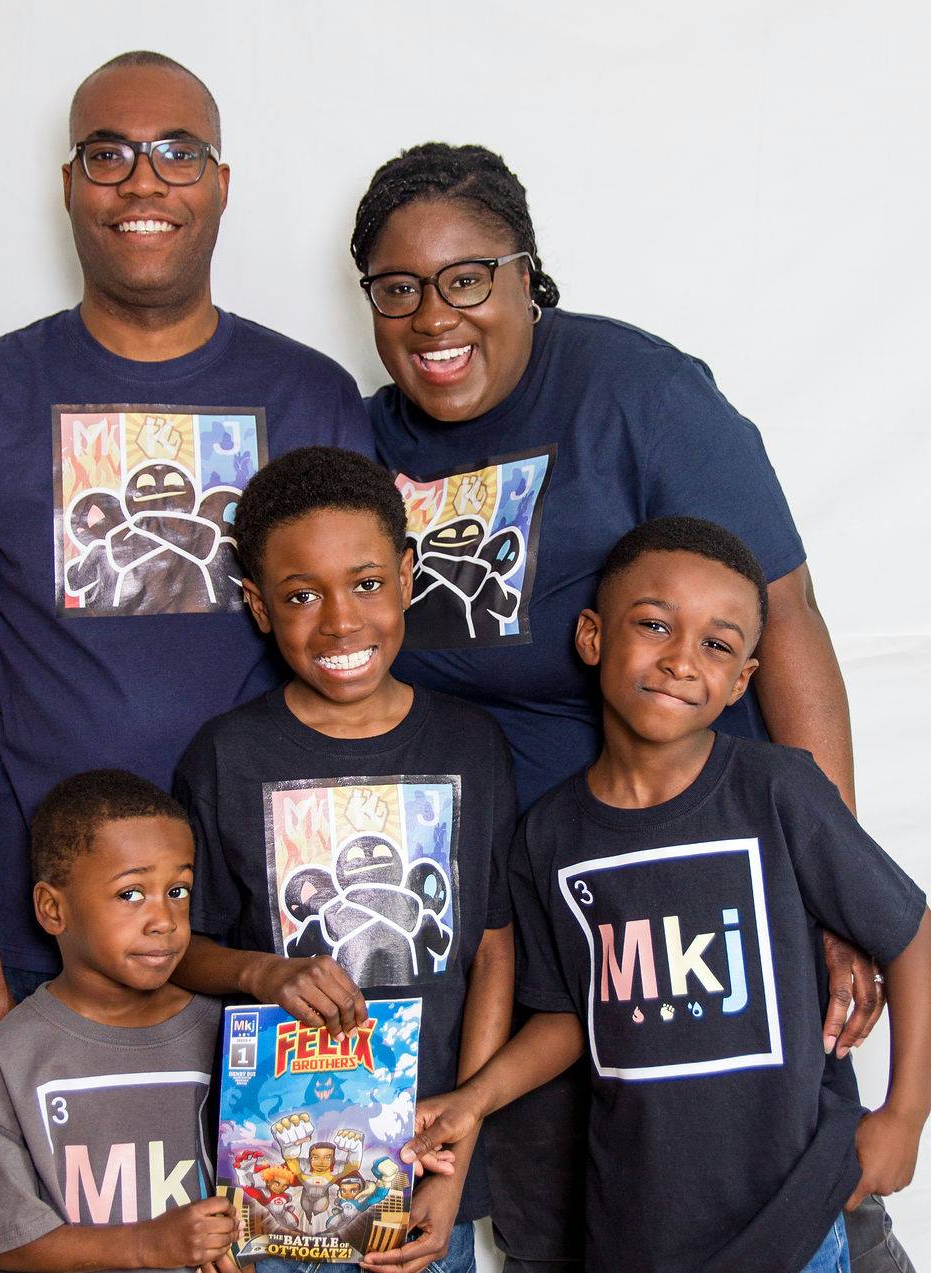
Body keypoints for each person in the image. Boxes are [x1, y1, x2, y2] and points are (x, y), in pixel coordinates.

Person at [349, 142, 900, 1271]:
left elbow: (783, 618)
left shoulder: (634, 392)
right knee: (581, 1205)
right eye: (396, 288)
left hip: (694, 890)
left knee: (782, 1194)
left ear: (526, 276)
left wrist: (831, 880)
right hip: (531, 921)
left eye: (467, 277)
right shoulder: (364, 439)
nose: (432, 315)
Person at [0, 50, 372, 1103]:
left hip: (284, 939)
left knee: (298, 1252)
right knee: (83, 1252)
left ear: (218, 183)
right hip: (60, 951)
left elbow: (368, 669)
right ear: (70, 184)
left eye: (178, 152)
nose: (143, 181)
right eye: (107, 154)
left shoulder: (310, 395)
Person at [402, 518, 931, 1273]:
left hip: (797, 1219)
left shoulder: (777, 791)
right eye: (653, 624)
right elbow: (567, 1017)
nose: (682, 659)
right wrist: (475, 1098)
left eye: (717, 644)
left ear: (743, 679)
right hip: (637, 1231)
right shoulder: (549, 835)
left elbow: (912, 933)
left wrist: (904, 1114)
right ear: (592, 636)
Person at [172, 446, 516, 1273]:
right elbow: (179, 949)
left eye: (365, 584)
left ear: (405, 575)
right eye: (300, 595)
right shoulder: (227, 755)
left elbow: (494, 949)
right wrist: (265, 973)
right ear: (258, 604)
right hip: (274, 1178)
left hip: (430, 1176)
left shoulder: (472, 743)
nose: (339, 621)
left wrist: (455, 1169)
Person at [0, 769, 238, 1272]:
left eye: (178, 890)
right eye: (131, 894)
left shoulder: (228, 1032)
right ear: (52, 909)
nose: (165, 920)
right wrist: (145, 1246)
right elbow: (1, 1237)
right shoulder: (14, 1054)